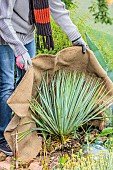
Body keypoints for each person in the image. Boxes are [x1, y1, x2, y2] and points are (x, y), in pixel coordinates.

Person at [0, 0, 87, 156]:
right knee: (7, 85)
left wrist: (76, 37)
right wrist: (19, 49)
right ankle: (2, 138)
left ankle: (20, 131)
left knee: (27, 84)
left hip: (27, 36)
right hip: (5, 36)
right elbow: (2, 19)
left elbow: (58, 9)